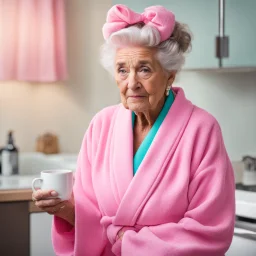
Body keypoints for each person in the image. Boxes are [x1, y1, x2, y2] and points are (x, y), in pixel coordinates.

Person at [32, 4, 235, 256]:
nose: (131, 83)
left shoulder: (202, 130)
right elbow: (91, 215)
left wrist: (126, 241)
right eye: (122, 70)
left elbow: (208, 228)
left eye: (144, 69)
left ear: (170, 75)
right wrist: (63, 209)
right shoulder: (101, 125)